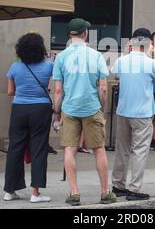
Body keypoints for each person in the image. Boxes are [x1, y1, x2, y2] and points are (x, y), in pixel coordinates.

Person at [52, 18, 116, 206]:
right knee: (99, 149)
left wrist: (57, 112)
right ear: (85, 33)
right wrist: (101, 107)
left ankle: (74, 193)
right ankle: (105, 193)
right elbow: (103, 87)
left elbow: (57, 90)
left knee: (70, 150)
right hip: (91, 107)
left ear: (69, 35)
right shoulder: (96, 55)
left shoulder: (61, 57)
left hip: (69, 109)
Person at [111, 28, 155, 200]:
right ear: (149, 43)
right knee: (140, 151)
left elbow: (114, 72)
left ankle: (118, 185)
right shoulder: (151, 62)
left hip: (123, 111)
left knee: (122, 149)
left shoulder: (122, 60)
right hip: (142, 113)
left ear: (132, 42)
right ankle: (134, 189)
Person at [3, 33, 52, 203]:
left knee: (15, 148)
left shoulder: (15, 67)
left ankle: (9, 191)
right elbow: (53, 86)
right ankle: (35, 193)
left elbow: (10, 92)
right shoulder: (48, 66)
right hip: (41, 108)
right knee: (39, 149)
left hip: (19, 109)